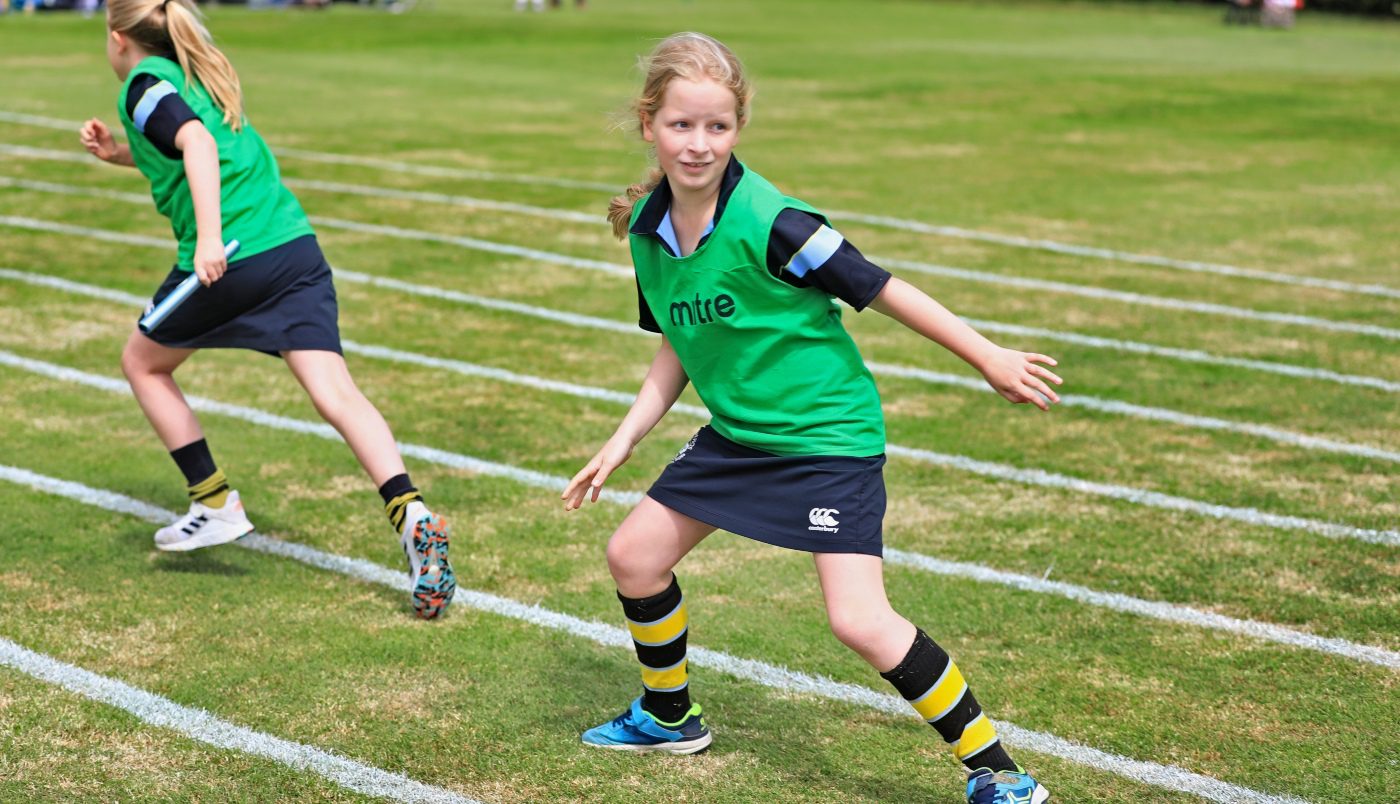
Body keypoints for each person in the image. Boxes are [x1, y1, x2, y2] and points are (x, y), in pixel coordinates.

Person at [561, 32, 1059, 804]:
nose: (699, 144)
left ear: (739, 128)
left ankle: (1000, 773)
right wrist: (622, 439)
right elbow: (678, 345)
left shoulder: (776, 222)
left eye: (718, 126)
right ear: (648, 123)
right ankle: (669, 717)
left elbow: (882, 287)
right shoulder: (648, 232)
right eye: (682, 125)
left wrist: (987, 355)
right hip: (741, 435)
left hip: (827, 439)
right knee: (634, 555)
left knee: (858, 619)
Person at [78, 0, 455, 619]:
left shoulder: (143, 83)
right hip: (292, 247)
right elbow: (185, 144)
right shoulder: (193, 74)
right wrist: (120, 152)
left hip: (233, 253)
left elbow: (197, 143)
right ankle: (412, 514)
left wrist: (207, 239)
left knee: (143, 364)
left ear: (120, 39)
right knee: (337, 394)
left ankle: (213, 502)